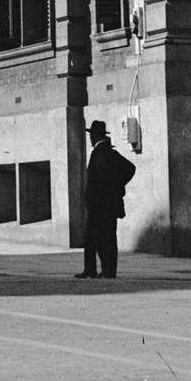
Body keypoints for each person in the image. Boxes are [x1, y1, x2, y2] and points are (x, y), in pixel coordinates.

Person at [77, 119, 137, 280]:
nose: (90, 139)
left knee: (105, 239)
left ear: (96, 136)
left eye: (91, 135)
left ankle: (108, 271)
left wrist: (113, 187)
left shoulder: (102, 153)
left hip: (102, 206)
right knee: (90, 238)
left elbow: (126, 170)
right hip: (98, 205)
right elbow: (128, 169)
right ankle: (90, 269)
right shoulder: (106, 152)